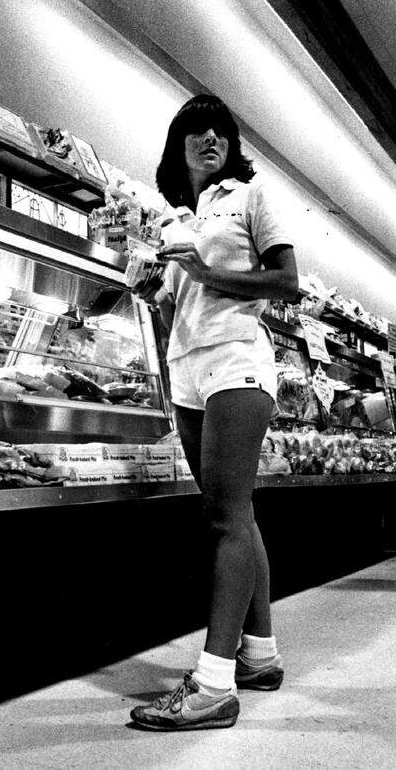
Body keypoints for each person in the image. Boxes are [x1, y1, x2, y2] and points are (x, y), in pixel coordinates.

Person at [127, 94, 299, 731]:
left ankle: (213, 684)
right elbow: (178, 312)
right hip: (188, 369)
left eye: (219, 132)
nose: (208, 140)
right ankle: (260, 654)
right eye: (195, 132)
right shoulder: (173, 220)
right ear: (177, 148)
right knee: (235, 512)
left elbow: (287, 284)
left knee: (224, 517)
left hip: (236, 361)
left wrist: (203, 270)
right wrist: (154, 293)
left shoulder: (250, 199)